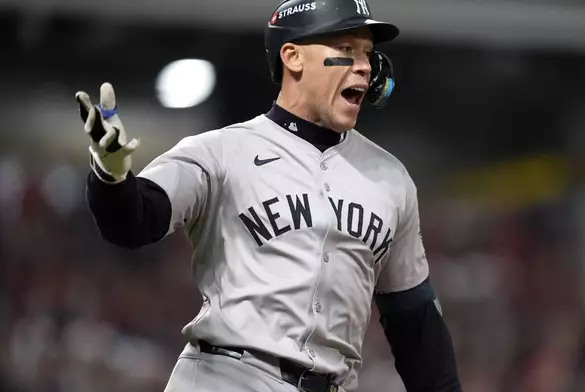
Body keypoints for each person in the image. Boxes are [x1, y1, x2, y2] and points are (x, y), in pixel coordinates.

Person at [76, 0, 461, 391]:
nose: (364, 66)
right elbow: (135, 221)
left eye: (367, 53)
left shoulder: (391, 180)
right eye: (346, 50)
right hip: (226, 377)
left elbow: (417, 326)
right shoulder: (221, 151)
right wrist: (112, 176)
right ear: (293, 57)